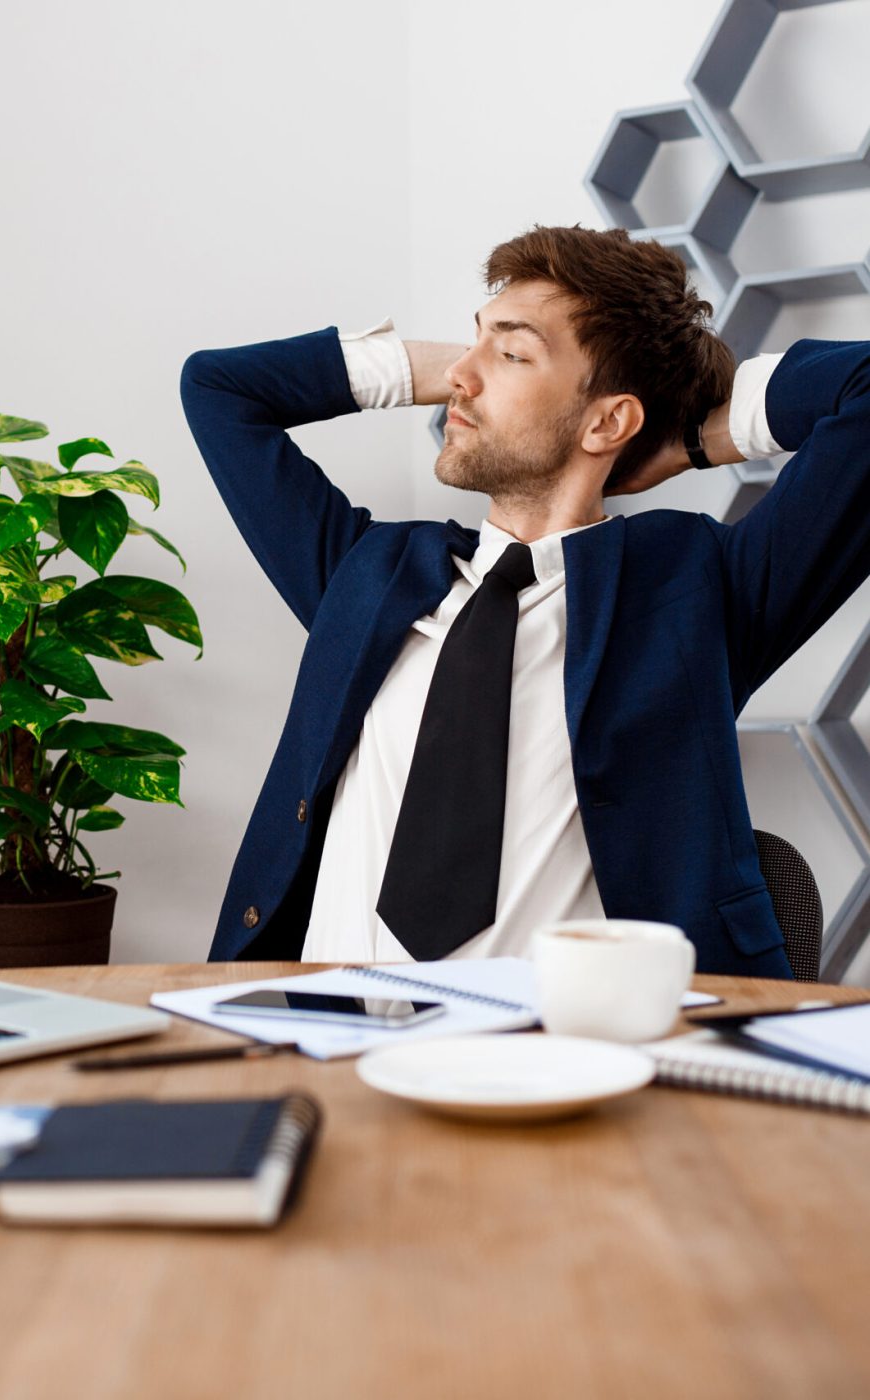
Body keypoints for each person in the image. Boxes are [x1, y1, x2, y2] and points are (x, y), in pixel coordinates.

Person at [181, 224, 870, 977]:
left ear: (609, 419)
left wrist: (694, 438)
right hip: (327, 1047)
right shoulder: (367, 575)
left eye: (511, 354)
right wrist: (480, 365)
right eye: (469, 349)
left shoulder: (694, 595)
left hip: (572, 1062)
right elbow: (219, 389)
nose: (460, 383)